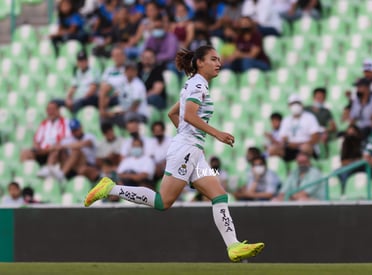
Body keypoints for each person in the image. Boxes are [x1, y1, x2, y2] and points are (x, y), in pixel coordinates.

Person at [84, 46, 265, 262]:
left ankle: (233, 246)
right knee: (163, 202)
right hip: (186, 149)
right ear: (200, 63)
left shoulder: (195, 84)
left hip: (192, 149)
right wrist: (215, 134)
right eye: (213, 59)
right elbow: (188, 115)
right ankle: (110, 188)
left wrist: (191, 138)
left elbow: (173, 113)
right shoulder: (198, 84)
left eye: (219, 59)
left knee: (219, 195)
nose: (219, 63)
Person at [20, 101, 71, 177]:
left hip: (54, 151)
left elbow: (65, 139)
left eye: (52, 110)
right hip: (41, 151)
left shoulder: (65, 122)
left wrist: (47, 149)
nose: (50, 112)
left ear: (58, 110)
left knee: (55, 151)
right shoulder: (44, 123)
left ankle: (48, 172)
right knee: (25, 153)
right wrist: (36, 146)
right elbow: (36, 140)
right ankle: (25, 175)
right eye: (49, 110)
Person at [269, 94, 320, 162]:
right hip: (291, 147)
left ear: (302, 105)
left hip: (306, 146)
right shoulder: (286, 120)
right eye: (292, 104)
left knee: (305, 148)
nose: (295, 106)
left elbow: (315, 137)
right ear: (289, 106)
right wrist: (288, 144)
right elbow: (283, 138)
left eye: (297, 103)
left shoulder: (310, 117)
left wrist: (300, 144)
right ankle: (282, 167)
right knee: (272, 149)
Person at [100, 60, 149, 128]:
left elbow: (134, 107)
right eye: (127, 69)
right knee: (104, 117)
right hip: (124, 112)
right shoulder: (122, 79)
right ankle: (110, 137)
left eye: (132, 70)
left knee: (129, 116)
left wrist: (117, 113)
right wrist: (102, 109)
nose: (129, 72)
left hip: (139, 115)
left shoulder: (139, 85)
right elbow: (105, 88)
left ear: (136, 72)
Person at [304, 87, 337, 156]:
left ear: (324, 99)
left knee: (323, 137)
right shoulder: (306, 109)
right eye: (317, 97)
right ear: (313, 97)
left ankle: (323, 158)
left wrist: (325, 130)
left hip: (320, 133)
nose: (319, 100)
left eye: (321, 98)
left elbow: (333, 127)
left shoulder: (326, 112)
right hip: (306, 132)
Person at [337, 124, 364, 194]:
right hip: (350, 165)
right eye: (349, 132)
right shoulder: (345, 143)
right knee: (337, 171)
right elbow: (343, 162)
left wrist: (354, 161)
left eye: (353, 132)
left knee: (344, 172)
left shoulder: (362, 142)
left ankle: (343, 192)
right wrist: (352, 161)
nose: (351, 134)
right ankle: (341, 192)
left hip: (361, 166)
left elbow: (363, 158)